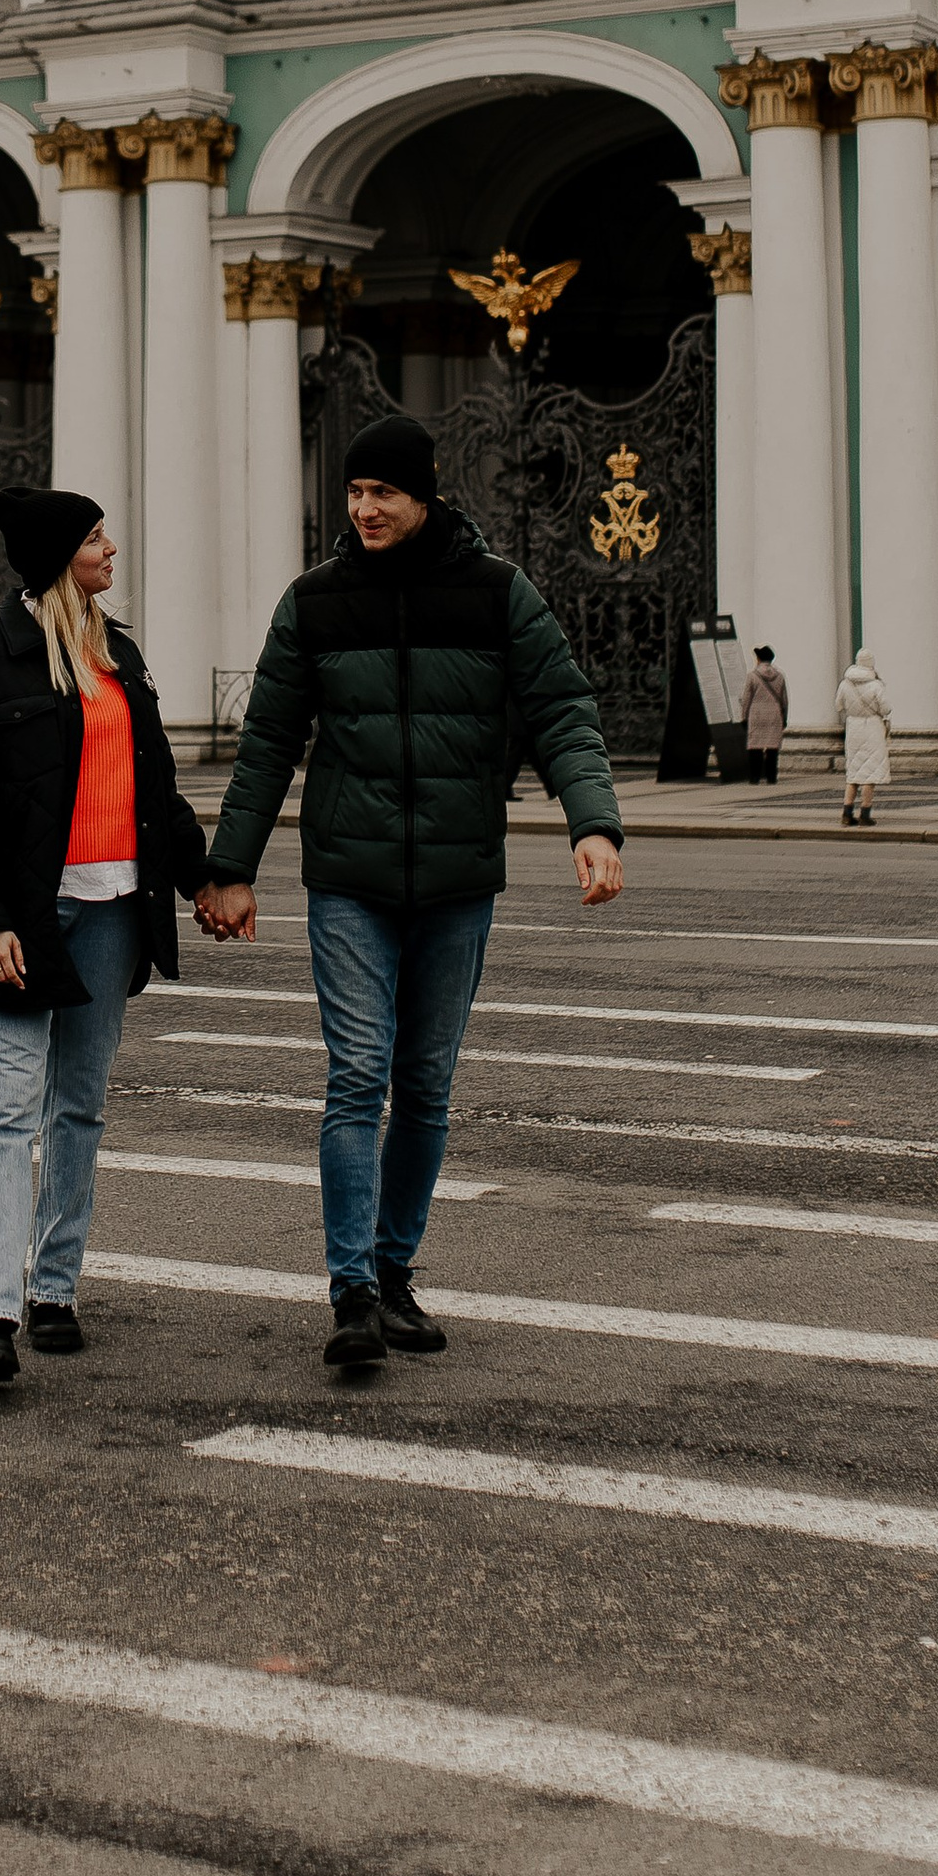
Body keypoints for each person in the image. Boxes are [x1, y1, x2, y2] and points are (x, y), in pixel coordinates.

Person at [201, 414, 623, 1371]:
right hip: (349, 878)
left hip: (456, 877)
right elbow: (268, 742)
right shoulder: (313, 602)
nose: (364, 509)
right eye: (353, 493)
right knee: (357, 1075)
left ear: (423, 495)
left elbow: (561, 707)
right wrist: (230, 868)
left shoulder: (496, 593)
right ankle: (350, 1291)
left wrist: (591, 822)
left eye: (382, 493)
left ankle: (393, 1273)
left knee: (425, 1086)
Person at [0, 487, 213, 1389]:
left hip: (115, 907)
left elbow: (156, 790)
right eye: (95, 539)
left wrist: (207, 878)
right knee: (6, 1109)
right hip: (28, 916)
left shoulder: (117, 655)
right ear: (60, 555)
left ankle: (54, 1291)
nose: (111, 549)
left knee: (79, 1106)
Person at [835, 649, 892, 828]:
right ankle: (865, 813)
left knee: (853, 773)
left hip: (853, 728)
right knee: (870, 773)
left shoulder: (845, 684)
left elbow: (838, 705)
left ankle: (847, 812)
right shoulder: (876, 685)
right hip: (872, 729)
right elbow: (886, 708)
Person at [738, 645, 787, 786]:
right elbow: (784, 700)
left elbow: (747, 698)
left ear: (759, 659)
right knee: (772, 748)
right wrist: (784, 717)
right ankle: (771, 777)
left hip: (756, 714)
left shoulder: (752, 676)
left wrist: (744, 717)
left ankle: (755, 777)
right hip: (774, 714)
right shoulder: (780, 676)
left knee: (755, 747)